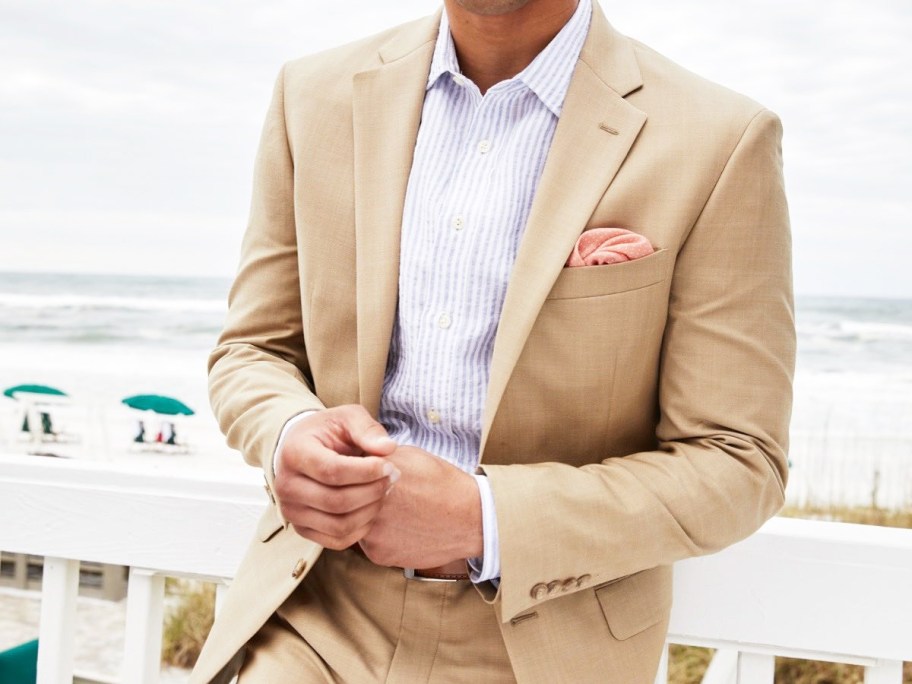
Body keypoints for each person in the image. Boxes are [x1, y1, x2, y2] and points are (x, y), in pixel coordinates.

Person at [193, 0, 795, 681]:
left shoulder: (720, 137)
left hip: (543, 645)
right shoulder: (311, 95)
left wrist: (482, 519)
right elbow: (253, 350)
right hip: (315, 612)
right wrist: (289, 432)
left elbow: (738, 461)